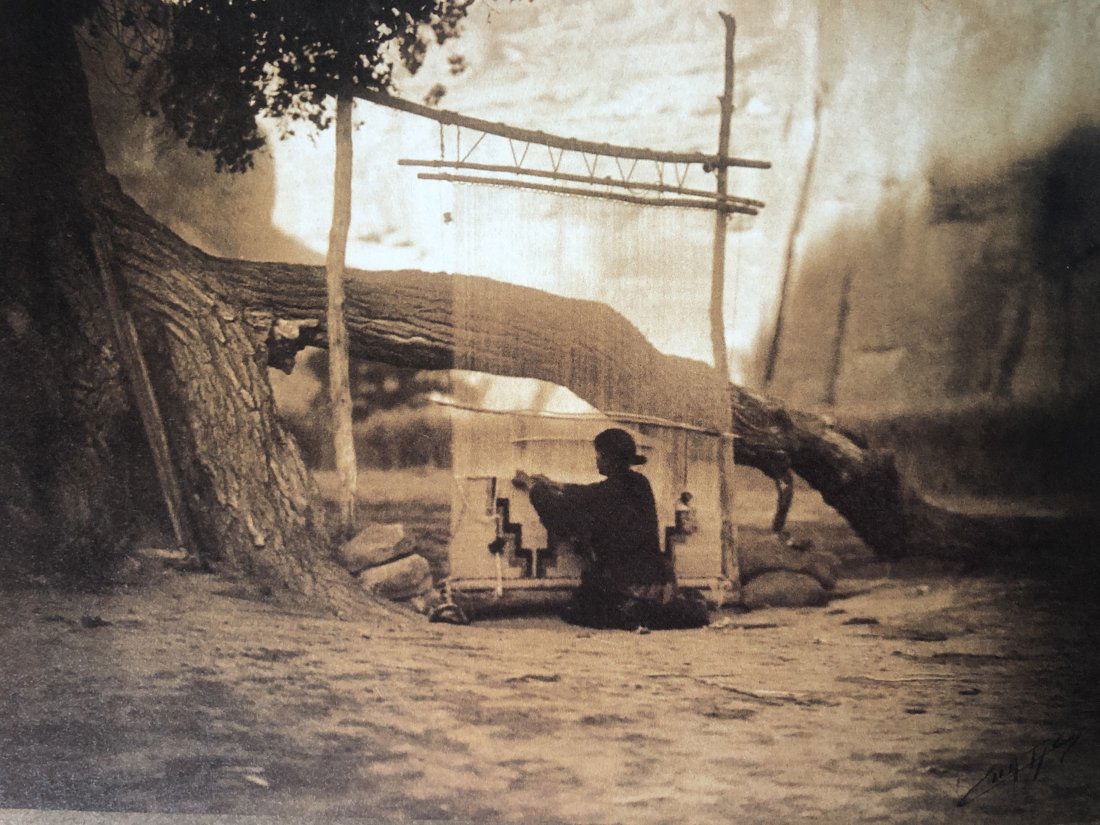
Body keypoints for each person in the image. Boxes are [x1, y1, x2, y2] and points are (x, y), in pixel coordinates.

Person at [512, 427, 709, 630]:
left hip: (626, 583)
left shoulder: (605, 494)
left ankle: (632, 609)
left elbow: (562, 514)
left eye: (599, 455)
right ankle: (654, 609)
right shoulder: (640, 484)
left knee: (577, 608)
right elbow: (589, 492)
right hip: (660, 582)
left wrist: (532, 487)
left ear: (608, 459)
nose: (596, 459)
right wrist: (556, 484)